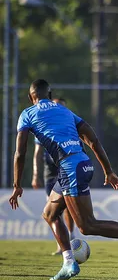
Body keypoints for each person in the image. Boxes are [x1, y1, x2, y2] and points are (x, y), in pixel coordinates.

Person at [9, 79, 118, 280]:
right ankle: (68, 262)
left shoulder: (27, 113)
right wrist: (108, 170)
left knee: (87, 226)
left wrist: (17, 184)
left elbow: (20, 153)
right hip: (81, 163)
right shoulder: (65, 111)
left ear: (31, 97)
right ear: (49, 94)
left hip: (70, 168)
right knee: (50, 214)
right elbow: (93, 140)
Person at [32, 97, 76, 255]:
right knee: (52, 210)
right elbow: (37, 153)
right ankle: (61, 244)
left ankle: (71, 237)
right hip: (50, 173)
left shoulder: (69, 125)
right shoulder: (42, 126)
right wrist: (35, 174)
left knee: (68, 205)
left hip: (66, 169)